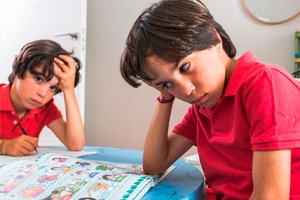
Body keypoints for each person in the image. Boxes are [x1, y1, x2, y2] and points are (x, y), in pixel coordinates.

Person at [119, 0, 300, 199]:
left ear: (214, 39)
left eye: (185, 67)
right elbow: (154, 164)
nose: (186, 90)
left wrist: (167, 83)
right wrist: (165, 95)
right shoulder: (203, 108)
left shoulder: (265, 84)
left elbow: (271, 197)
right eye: (169, 83)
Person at [0, 39, 85, 156]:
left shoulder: (44, 108)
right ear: (19, 71)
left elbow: (75, 145)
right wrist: (4, 147)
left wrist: (68, 90)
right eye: (39, 79)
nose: (43, 94)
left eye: (53, 88)